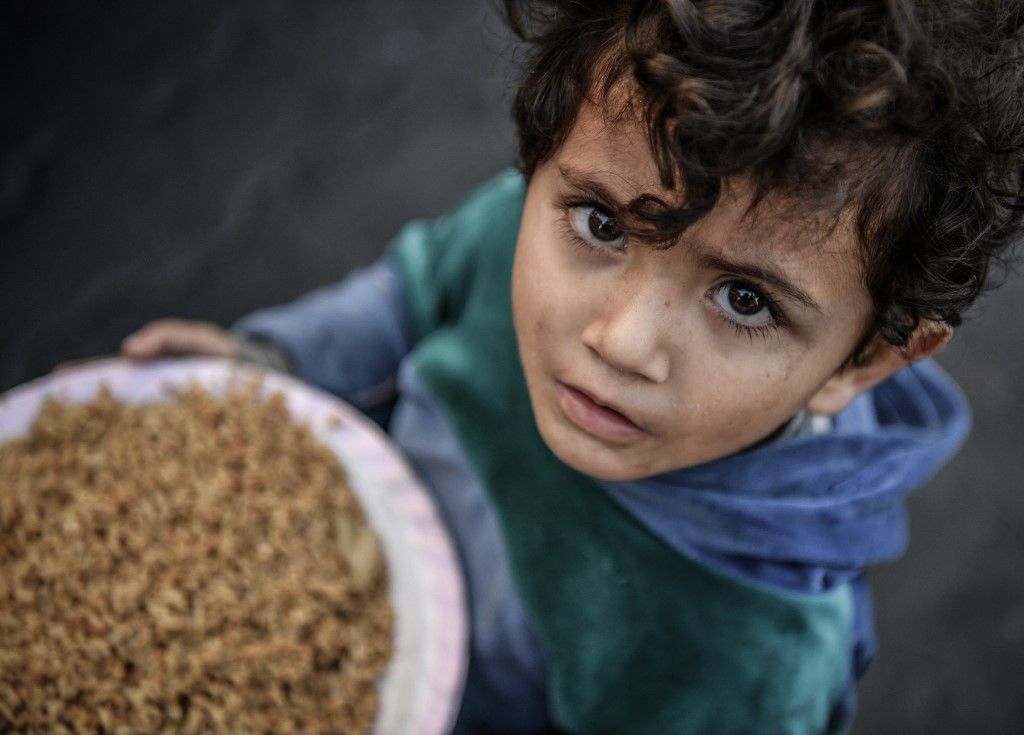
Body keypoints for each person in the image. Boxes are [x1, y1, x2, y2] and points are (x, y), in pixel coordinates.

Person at [118, 1, 1024, 731]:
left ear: (864, 362)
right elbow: (414, 289)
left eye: (745, 299)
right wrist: (270, 360)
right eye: (601, 224)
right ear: (542, 164)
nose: (620, 341)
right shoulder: (516, 222)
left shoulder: (745, 661)